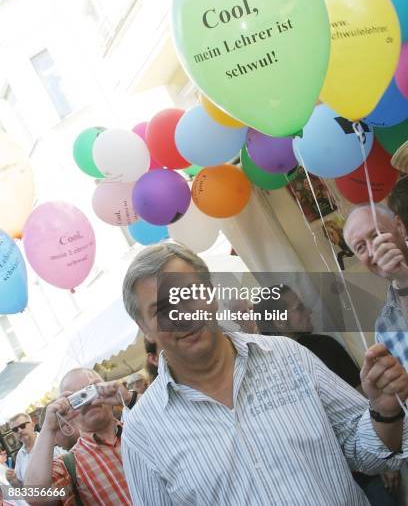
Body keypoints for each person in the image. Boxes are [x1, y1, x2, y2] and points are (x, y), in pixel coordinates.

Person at [121, 241, 408, 506]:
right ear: (144, 327)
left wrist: (384, 411)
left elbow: (365, 452)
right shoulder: (143, 433)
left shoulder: (287, 356)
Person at [257, 285, 400, 504]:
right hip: (319, 483)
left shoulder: (324, 346)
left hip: (364, 472)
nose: (309, 311)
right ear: (279, 321)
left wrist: (384, 453)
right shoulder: (263, 371)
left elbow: (364, 400)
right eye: (300, 308)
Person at [24, 368, 138, 505]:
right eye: (78, 397)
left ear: (107, 388)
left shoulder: (139, 428)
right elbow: (34, 495)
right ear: (67, 408)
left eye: (91, 390)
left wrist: (129, 399)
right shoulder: (69, 466)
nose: (88, 401)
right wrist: (49, 428)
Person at [343, 204, 408, 367]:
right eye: (360, 247)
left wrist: (403, 279)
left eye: (376, 234)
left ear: (400, 227)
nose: (372, 251)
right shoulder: (384, 327)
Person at [5, 413, 65, 488]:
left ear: (32, 425)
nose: (19, 431)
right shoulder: (20, 455)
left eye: (22, 426)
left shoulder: (49, 442)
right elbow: (22, 487)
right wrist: (13, 480)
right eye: (15, 429)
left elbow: (68, 468)